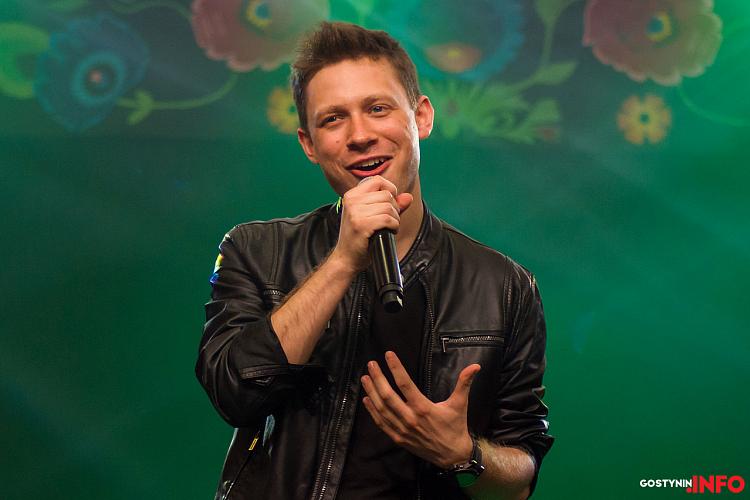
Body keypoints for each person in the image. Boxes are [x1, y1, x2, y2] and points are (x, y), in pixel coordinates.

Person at [196, 21, 553, 500]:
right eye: (333, 119)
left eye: (377, 108)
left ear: (421, 117)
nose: (360, 135)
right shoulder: (256, 250)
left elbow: (521, 477)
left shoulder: (505, 286)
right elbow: (234, 395)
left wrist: (464, 453)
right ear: (308, 144)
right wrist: (343, 261)